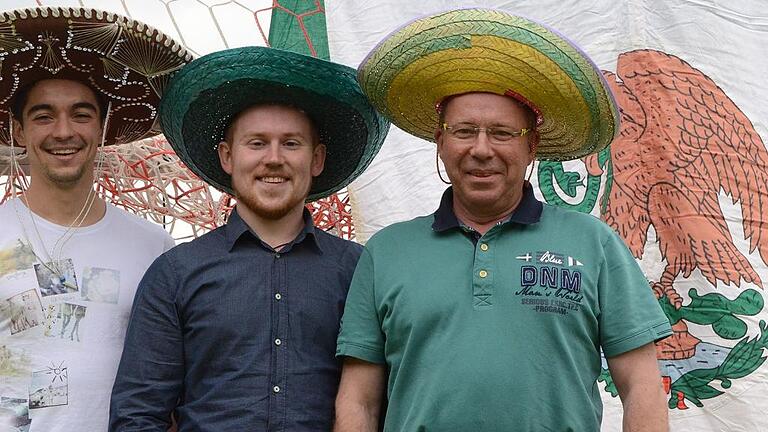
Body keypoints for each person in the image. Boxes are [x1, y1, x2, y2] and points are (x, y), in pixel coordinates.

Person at [335, 9, 673, 432]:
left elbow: (641, 383)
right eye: (463, 131)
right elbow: (359, 400)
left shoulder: (594, 243)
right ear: (440, 142)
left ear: (532, 145)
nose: (481, 149)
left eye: (501, 133)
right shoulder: (387, 251)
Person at [109, 46, 389, 431]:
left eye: (291, 143)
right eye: (256, 143)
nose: (273, 158)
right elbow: (139, 412)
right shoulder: (176, 272)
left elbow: (381, 401)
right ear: (227, 157)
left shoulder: (359, 270)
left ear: (317, 159)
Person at [0, 6, 191, 432]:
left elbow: (169, 382)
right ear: (18, 131)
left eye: (81, 114)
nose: (63, 131)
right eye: (43, 115)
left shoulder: (152, 246)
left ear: (102, 126)